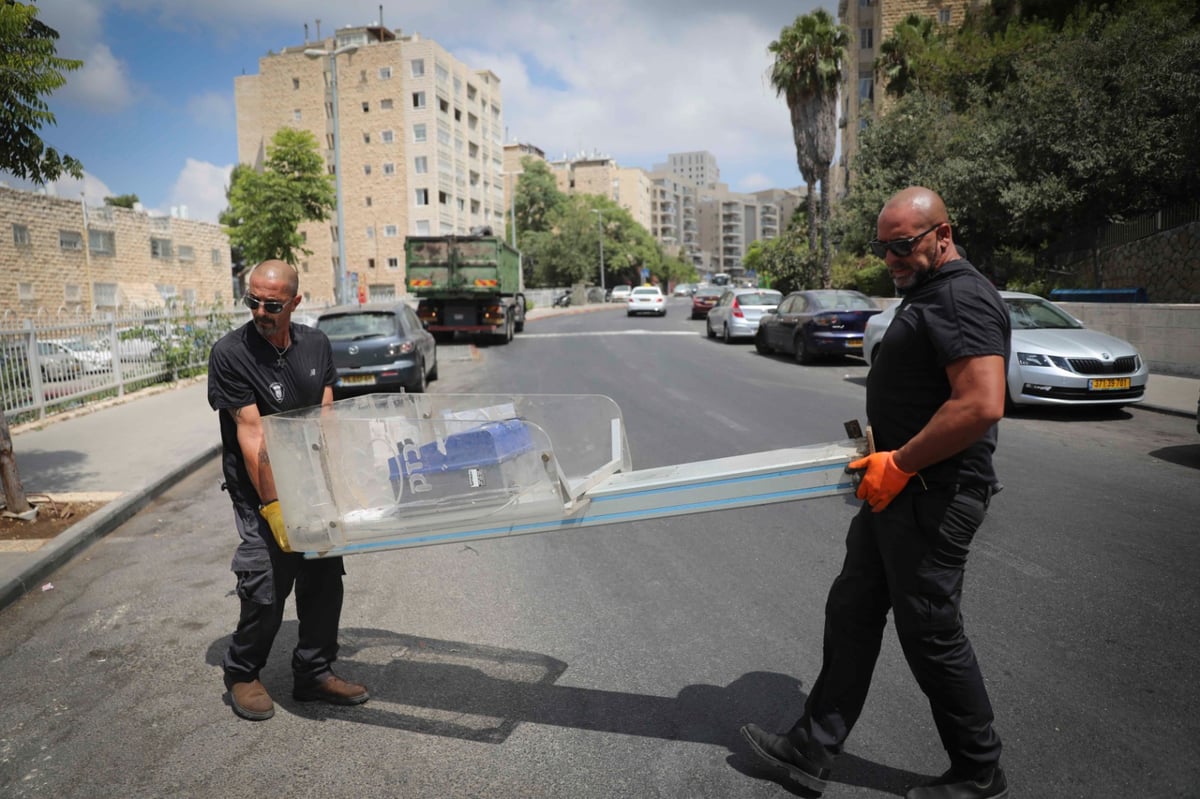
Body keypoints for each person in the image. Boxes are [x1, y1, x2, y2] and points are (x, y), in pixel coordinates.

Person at [740, 187, 1011, 799]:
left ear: (942, 234)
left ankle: (979, 771)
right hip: (896, 486)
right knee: (854, 609)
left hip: (932, 493)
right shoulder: (928, 293)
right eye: (881, 246)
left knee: (931, 633)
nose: (889, 257)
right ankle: (812, 748)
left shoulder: (962, 296)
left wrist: (901, 462)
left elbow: (980, 404)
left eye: (902, 245)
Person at [208, 260, 368, 721]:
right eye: (252, 301)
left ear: (295, 302)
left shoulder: (316, 344)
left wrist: (344, 484)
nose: (260, 311)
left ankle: (313, 673)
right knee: (267, 581)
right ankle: (242, 673)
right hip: (262, 491)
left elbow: (327, 417)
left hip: (313, 484)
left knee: (322, 579)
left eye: (272, 304)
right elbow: (253, 435)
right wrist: (276, 508)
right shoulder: (232, 353)